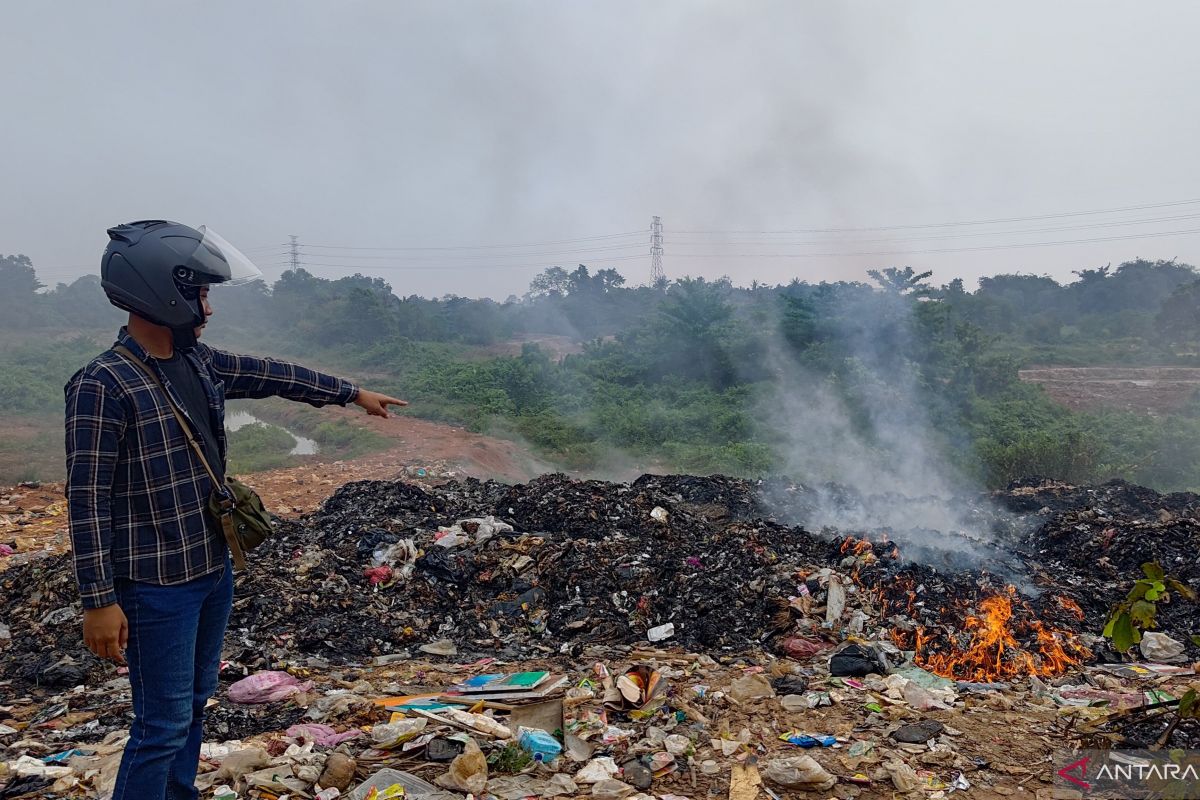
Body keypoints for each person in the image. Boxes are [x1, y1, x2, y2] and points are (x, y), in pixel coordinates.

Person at [64, 220, 406, 800]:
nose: (208, 308)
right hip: (155, 585)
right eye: (199, 292)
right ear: (159, 291)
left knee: (194, 707)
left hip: (211, 571)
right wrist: (99, 600)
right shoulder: (104, 383)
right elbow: (87, 498)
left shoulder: (197, 362)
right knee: (161, 724)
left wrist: (350, 393)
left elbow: (274, 374)